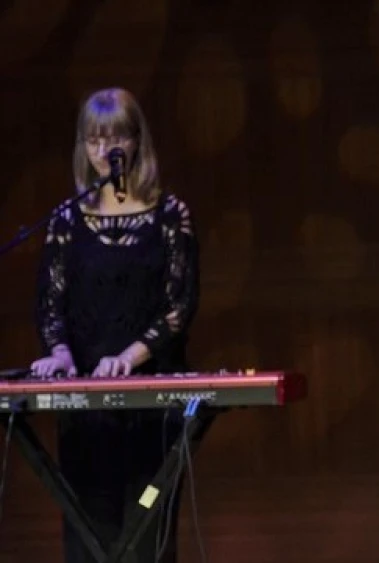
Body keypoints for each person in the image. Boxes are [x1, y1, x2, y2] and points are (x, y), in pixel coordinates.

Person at [29, 87, 199, 563]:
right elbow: (50, 304)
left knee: (144, 515)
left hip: (151, 410)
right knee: (89, 526)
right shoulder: (66, 220)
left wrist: (128, 358)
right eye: (94, 139)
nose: (105, 150)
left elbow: (178, 307)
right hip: (88, 415)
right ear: (82, 146)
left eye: (116, 137)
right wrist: (59, 353)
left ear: (137, 141)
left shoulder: (169, 216)